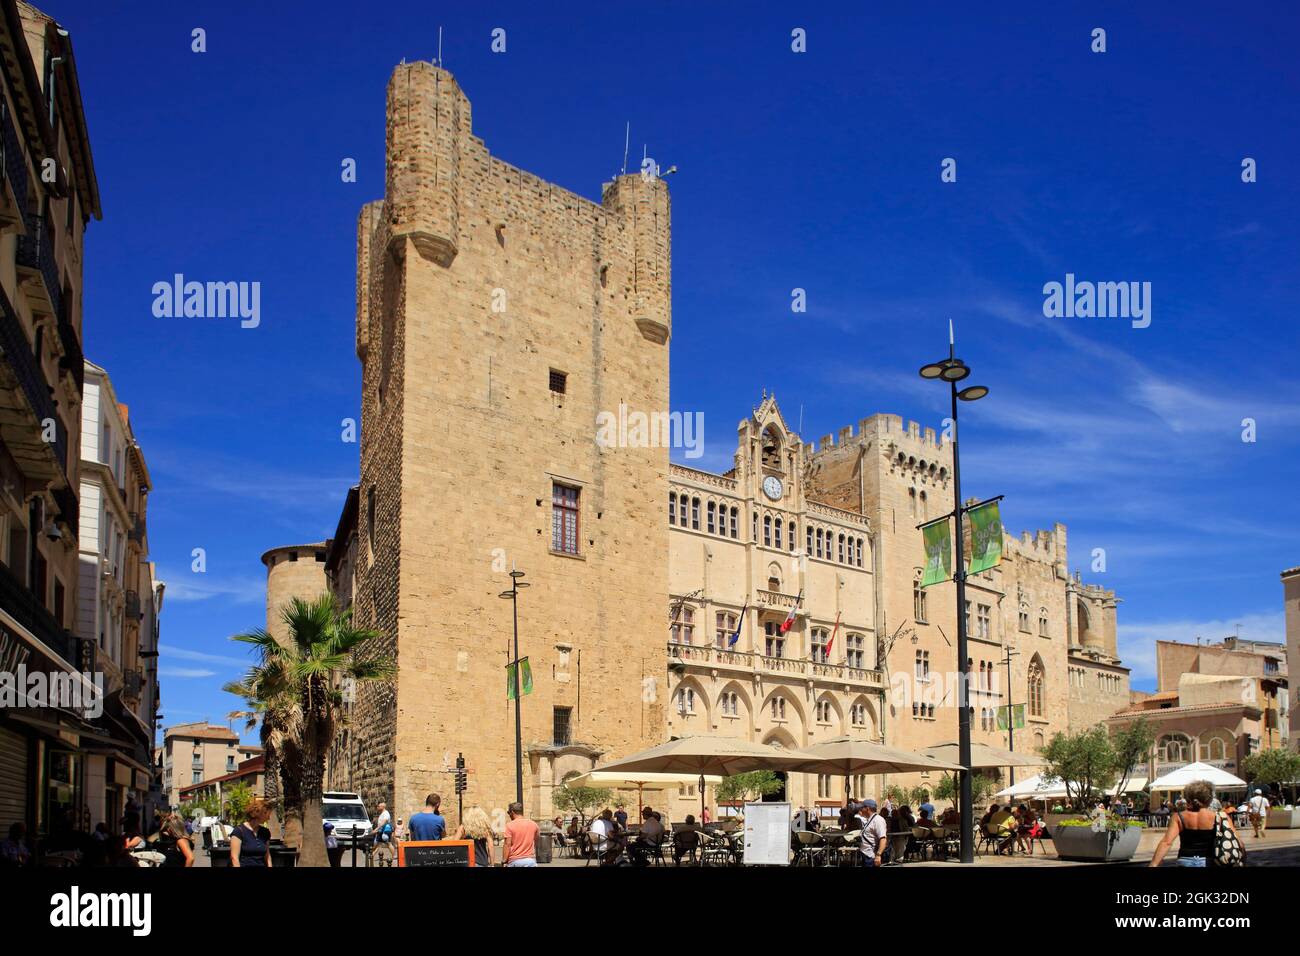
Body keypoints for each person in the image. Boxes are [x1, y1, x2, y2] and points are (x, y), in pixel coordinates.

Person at [1151, 780, 1243, 868]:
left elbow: (1166, 842)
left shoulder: (1178, 817)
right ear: (1210, 799)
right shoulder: (1221, 817)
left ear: (1188, 798)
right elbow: (1238, 842)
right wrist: (1243, 859)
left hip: (1185, 860)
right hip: (1211, 860)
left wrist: (1154, 864)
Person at [230, 799, 273, 867]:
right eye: (268, 814)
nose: (269, 818)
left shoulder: (265, 832)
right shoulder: (239, 831)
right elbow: (234, 858)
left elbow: (267, 856)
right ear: (260, 813)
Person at [503, 802, 539, 867]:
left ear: (512, 812)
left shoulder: (509, 825)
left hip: (515, 861)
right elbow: (536, 840)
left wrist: (504, 860)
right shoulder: (534, 824)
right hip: (530, 860)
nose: (509, 815)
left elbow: (507, 845)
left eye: (508, 813)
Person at [857, 799, 888, 869]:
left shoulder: (878, 820)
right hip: (866, 854)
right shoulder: (870, 819)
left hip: (871, 856)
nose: (860, 810)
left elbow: (883, 839)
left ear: (867, 808)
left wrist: (878, 855)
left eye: (862, 808)